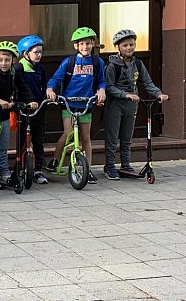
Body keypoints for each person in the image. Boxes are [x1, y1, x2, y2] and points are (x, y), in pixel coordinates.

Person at [104, 28, 168, 180]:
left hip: (131, 105)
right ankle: (110, 165)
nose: (129, 48)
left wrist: (158, 93)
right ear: (118, 47)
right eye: (125, 45)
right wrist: (125, 95)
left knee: (127, 137)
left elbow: (147, 82)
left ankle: (125, 164)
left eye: (131, 44)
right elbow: (109, 87)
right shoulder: (112, 66)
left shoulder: (137, 64)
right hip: (115, 105)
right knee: (112, 137)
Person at [46, 26, 106, 184]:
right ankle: (55, 160)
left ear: (93, 44)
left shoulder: (97, 62)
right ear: (76, 45)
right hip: (68, 103)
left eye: (88, 43)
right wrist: (50, 89)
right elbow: (56, 78)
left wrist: (101, 90)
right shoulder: (69, 62)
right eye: (82, 44)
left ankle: (88, 169)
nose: (85, 47)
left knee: (86, 137)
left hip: (86, 103)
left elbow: (101, 80)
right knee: (68, 133)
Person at [0, 41, 34, 191]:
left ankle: (4, 172)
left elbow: (23, 87)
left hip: (5, 115)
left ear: (13, 60)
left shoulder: (13, 73)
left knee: (3, 147)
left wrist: (31, 100)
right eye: (0, 60)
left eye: (7, 60)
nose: (4, 63)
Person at [17, 35, 49, 185]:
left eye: (41, 52)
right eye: (36, 52)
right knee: (22, 139)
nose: (39, 55)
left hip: (39, 109)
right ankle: (19, 167)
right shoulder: (19, 68)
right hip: (24, 109)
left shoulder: (41, 69)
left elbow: (44, 86)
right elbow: (19, 87)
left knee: (38, 140)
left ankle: (38, 170)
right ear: (25, 54)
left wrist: (48, 97)